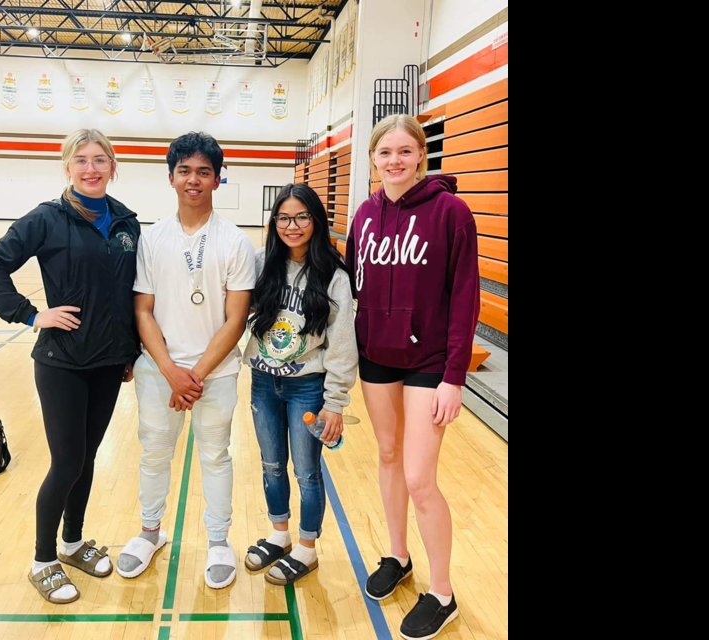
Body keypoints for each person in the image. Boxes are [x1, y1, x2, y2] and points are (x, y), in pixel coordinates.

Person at [0, 128, 140, 604]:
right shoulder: (47, 218)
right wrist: (30, 313)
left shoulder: (127, 222)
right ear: (67, 167)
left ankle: (72, 544)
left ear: (112, 166)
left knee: (86, 459)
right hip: (61, 361)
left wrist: (126, 352)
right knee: (66, 461)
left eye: (100, 160)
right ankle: (43, 560)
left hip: (108, 363)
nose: (91, 168)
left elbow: (127, 293)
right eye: (81, 160)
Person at [345, 113, 479, 639]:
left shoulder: (452, 212)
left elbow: (466, 297)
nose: (394, 161)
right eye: (385, 153)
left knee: (421, 478)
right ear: (373, 159)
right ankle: (397, 556)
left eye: (404, 151)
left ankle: (442, 592)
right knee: (388, 455)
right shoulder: (365, 214)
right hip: (377, 356)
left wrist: (455, 376)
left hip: (429, 365)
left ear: (420, 155)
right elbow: (352, 285)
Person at [116, 132, 256, 590]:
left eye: (203, 171)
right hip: (160, 371)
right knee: (155, 453)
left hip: (214, 373)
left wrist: (193, 376)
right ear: (171, 177)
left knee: (216, 455)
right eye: (184, 171)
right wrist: (172, 372)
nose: (193, 180)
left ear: (217, 179)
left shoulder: (236, 242)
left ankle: (218, 540)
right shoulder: (152, 239)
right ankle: (150, 532)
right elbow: (142, 310)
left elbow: (236, 320)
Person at [242, 183, 357, 586]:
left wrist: (336, 402)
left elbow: (342, 344)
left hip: (307, 387)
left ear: (316, 221)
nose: (292, 226)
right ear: (274, 222)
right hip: (262, 382)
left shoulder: (333, 274)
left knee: (307, 472)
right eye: (284, 218)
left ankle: (306, 550)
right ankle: (280, 535)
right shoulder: (260, 263)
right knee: (272, 465)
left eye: (302, 217)